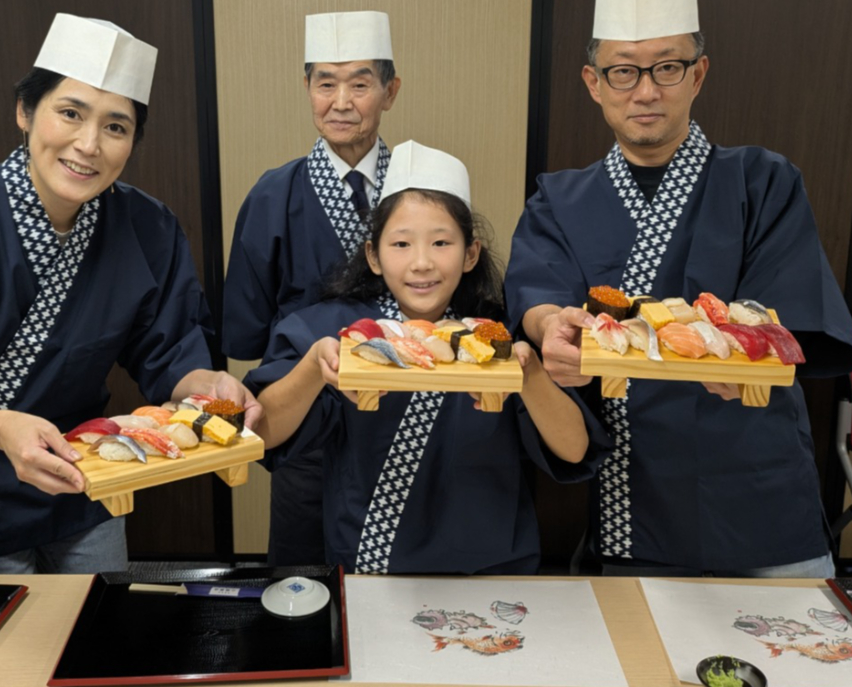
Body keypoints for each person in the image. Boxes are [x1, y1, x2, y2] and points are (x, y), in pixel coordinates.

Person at [505, 0, 852, 578]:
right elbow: (538, 295)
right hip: (633, 486)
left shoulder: (763, 182)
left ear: (697, 75)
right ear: (594, 84)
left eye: (667, 67)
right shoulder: (558, 199)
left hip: (751, 478)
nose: (645, 91)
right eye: (624, 71)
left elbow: (790, 318)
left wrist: (750, 357)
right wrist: (551, 329)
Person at [0, 13, 259, 574]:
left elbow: (170, 352)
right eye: (70, 113)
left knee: (96, 629)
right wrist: (3, 428)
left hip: (86, 471)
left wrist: (208, 386)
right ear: (26, 113)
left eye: (116, 127)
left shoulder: (147, 227)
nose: (88, 144)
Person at [247, 141, 601, 575]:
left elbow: (573, 449)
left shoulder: (500, 338)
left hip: (491, 571)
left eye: (440, 242)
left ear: (471, 254)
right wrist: (314, 368)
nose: (421, 263)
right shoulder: (333, 332)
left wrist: (528, 375)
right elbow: (262, 433)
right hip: (370, 568)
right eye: (400, 244)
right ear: (373, 256)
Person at [223, 10, 402, 565]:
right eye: (326, 83)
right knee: (301, 587)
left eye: (360, 83)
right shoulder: (272, 195)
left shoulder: (420, 187)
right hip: (304, 427)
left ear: (390, 92)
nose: (341, 101)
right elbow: (247, 333)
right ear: (307, 89)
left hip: (402, 419)